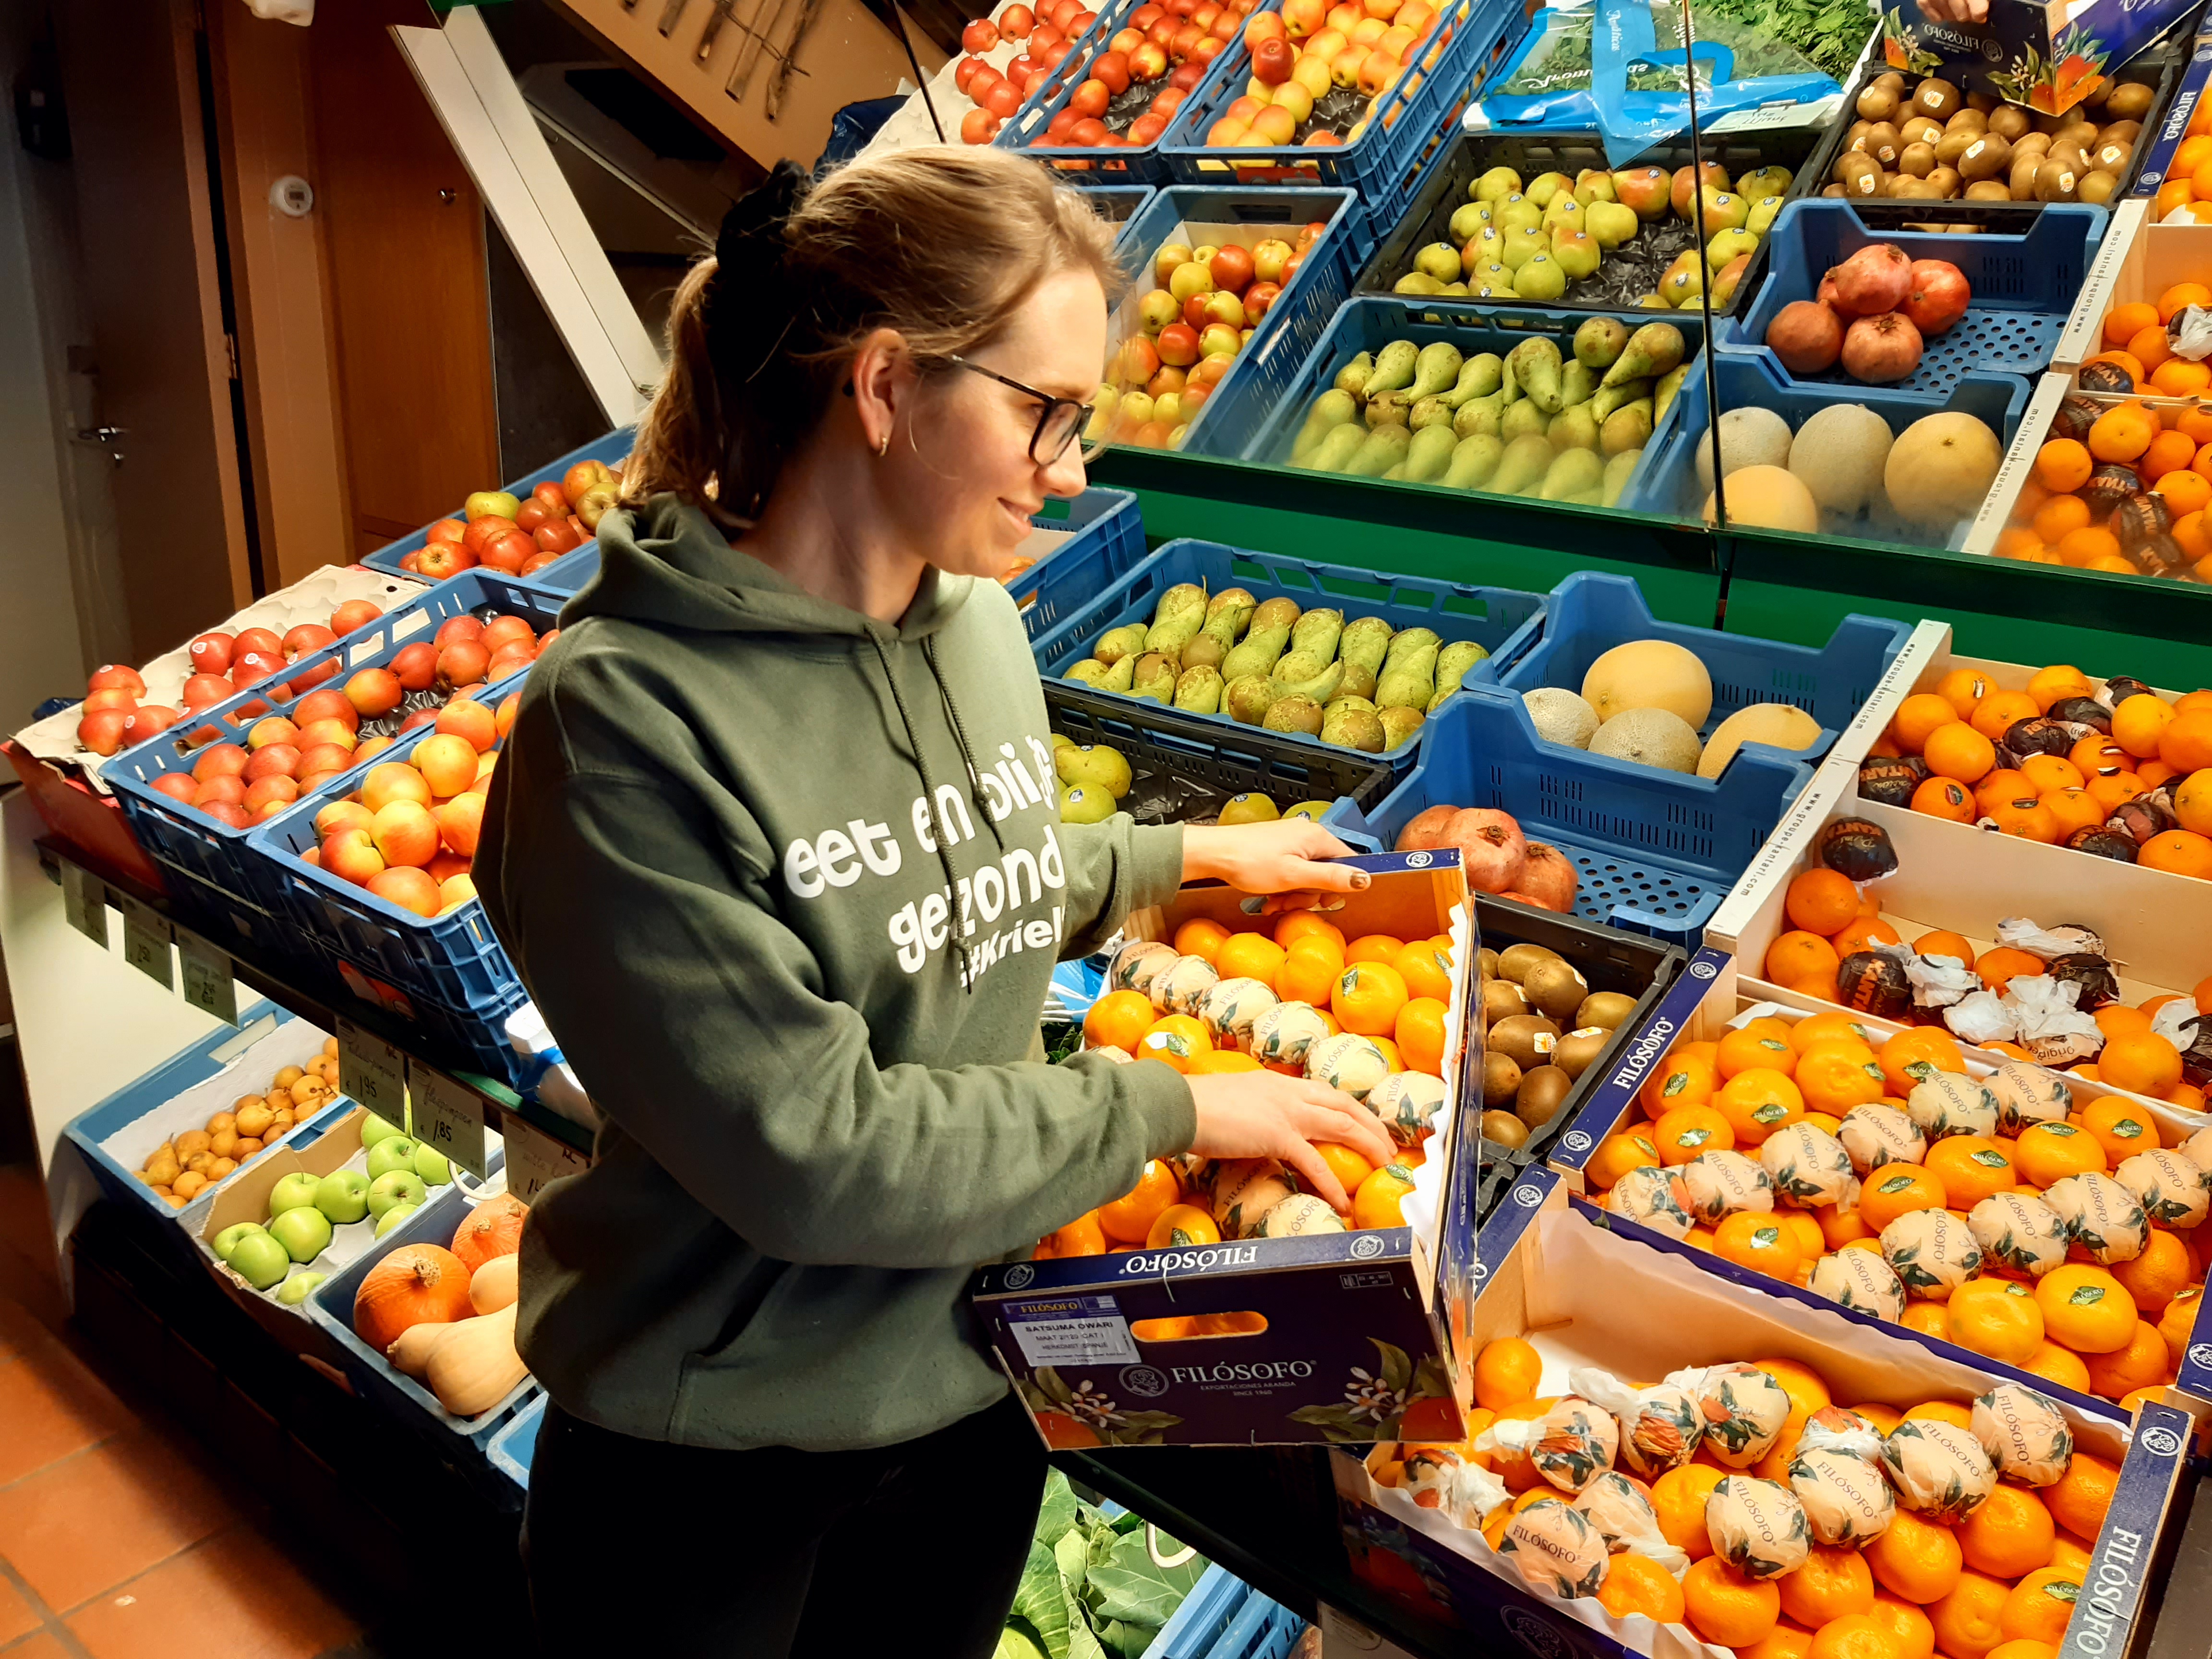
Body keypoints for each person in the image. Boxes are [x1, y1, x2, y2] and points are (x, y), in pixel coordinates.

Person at [474, 146, 1397, 1659]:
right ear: (889, 386)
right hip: (712, 1454)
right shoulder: (627, 725)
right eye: (1045, 413)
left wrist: (1171, 868)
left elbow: (955, 870)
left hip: (973, 1381)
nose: (1075, 468)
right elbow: (814, 1156)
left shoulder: (974, 625)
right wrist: (1159, 1110)